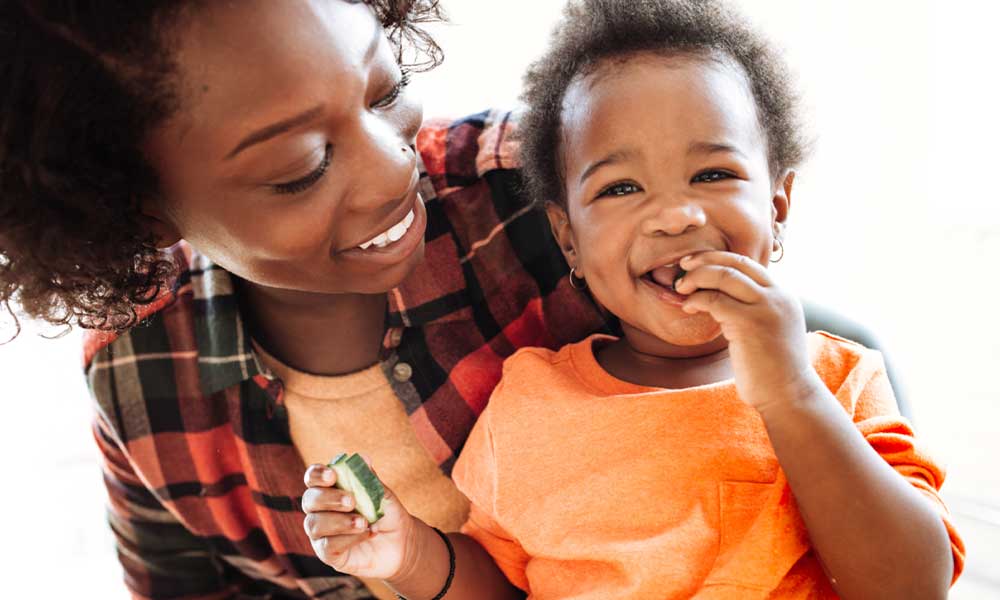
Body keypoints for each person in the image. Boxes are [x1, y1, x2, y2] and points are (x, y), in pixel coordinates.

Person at [0, 1, 916, 598]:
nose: (392, 164)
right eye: (301, 168)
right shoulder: (142, 381)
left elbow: (801, 349)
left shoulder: (539, 185)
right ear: (134, 207)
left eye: (386, 89)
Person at [300, 1, 965, 598]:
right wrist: (410, 553)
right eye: (620, 189)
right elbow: (501, 584)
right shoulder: (529, 402)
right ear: (569, 241)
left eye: (713, 174)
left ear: (778, 206)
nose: (674, 217)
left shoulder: (837, 379)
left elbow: (912, 583)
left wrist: (791, 393)